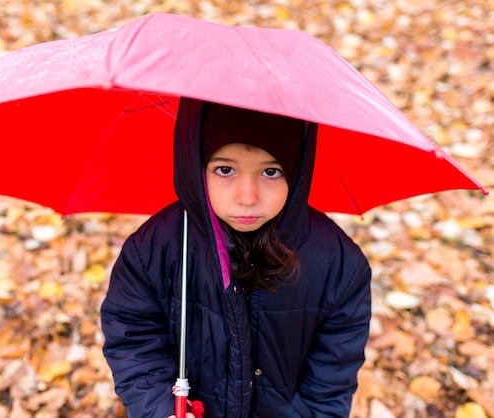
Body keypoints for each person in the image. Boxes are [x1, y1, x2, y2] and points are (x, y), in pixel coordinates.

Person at [100, 98, 372, 418]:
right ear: (196, 167)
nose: (247, 197)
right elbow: (134, 339)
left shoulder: (339, 264)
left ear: (297, 171)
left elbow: (331, 377)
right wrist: (160, 410)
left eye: (271, 171)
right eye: (225, 169)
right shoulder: (154, 249)